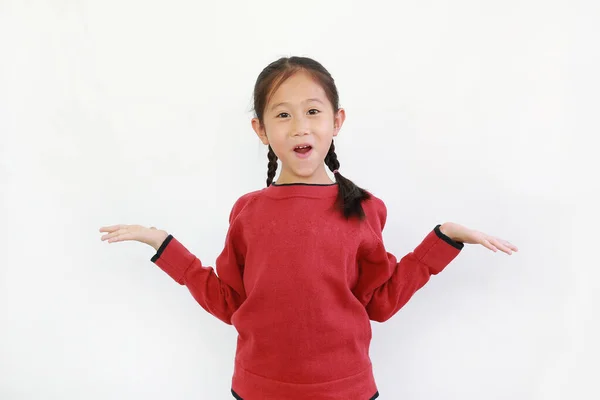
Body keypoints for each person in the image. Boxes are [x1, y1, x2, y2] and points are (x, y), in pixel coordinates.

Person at [99, 56, 518, 400]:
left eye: (313, 111)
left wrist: (444, 238)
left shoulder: (365, 209)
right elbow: (230, 303)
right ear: (260, 130)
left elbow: (381, 303)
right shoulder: (248, 211)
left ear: (337, 121)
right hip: (257, 391)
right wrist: (163, 245)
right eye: (283, 114)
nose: (300, 126)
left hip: (348, 392)